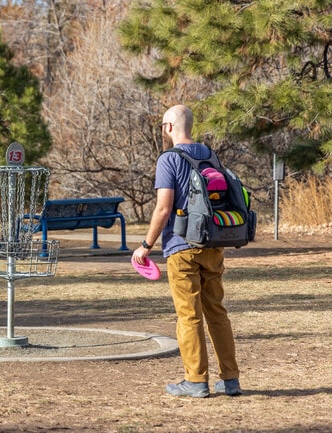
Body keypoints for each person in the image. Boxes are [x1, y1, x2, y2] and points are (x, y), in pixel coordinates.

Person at [132, 104, 242, 398]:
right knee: (217, 312)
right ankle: (230, 379)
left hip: (181, 247)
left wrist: (145, 246)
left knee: (188, 316)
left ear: (169, 127)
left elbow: (164, 208)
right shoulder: (210, 155)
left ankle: (195, 381)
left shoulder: (168, 159)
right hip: (212, 243)